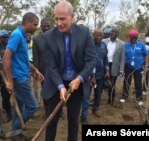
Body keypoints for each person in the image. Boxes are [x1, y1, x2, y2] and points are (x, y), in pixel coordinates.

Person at [41, 1, 97, 141]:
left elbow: (91, 60)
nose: (59, 23)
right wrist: (60, 86)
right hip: (55, 84)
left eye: (63, 18)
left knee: (73, 121)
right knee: (51, 121)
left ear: (72, 16)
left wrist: (79, 79)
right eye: (56, 18)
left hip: (76, 83)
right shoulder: (48, 37)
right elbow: (51, 66)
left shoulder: (84, 33)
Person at [3, 12, 44, 136]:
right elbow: (6, 57)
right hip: (19, 79)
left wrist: (35, 70)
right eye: (35, 24)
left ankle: (17, 131)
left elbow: (23, 59)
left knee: (20, 107)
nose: (36, 27)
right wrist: (9, 81)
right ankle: (15, 130)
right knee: (33, 106)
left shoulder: (22, 35)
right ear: (27, 23)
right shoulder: (16, 35)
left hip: (23, 76)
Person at [120, 29, 147, 106]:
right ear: (129, 37)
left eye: (135, 37)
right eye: (132, 38)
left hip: (139, 67)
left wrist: (145, 67)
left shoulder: (141, 45)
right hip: (128, 67)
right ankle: (124, 96)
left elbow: (146, 56)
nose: (134, 39)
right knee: (127, 81)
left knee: (138, 83)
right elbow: (122, 56)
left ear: (137, 37)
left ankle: (139, 98)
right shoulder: (125, 45)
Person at [89, 28, 109, 118]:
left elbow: (105, 59)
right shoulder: (89, 45)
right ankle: (84, 112)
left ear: (103, 36)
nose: (99, 37)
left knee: (98, 93)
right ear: (93, 35)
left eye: (100, 35)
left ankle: (95, 109)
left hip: (100, 74)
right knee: (87, 94)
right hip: (89, 75)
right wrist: (92, 76)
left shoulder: (104, 45)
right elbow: (89, 61)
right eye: (97, 35)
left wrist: (107, 70)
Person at [102, 27, 125, 105]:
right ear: (110, 32)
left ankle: (111, 99)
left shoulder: (122, 44)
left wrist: (121, 70)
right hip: (103, 65)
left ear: (118, 34)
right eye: (113, 32)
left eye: (116, 32)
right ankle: (96, 99)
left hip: (114, 66)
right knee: (100, 82)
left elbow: (122, 58)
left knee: (112, 84)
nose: (114, 33)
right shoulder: (103, 41)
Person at [32, 17, 52, 105]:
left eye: (48, 26)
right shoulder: (36, 39)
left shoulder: (56, 37)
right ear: (41, 27)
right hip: (43, 71)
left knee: (56, 89)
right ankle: (47, 109)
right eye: (44, 26)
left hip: (55, 69)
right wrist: (36, 72)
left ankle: (59, 111)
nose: (47, 28)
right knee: (45, 90)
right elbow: (35, 57)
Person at [0, 29, 12, 122]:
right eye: (3, 38)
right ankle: (8, 112)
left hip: (12, 73)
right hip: (1, 76)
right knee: (5, 96)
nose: (5, 39)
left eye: (6, 37)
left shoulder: (11, 47)